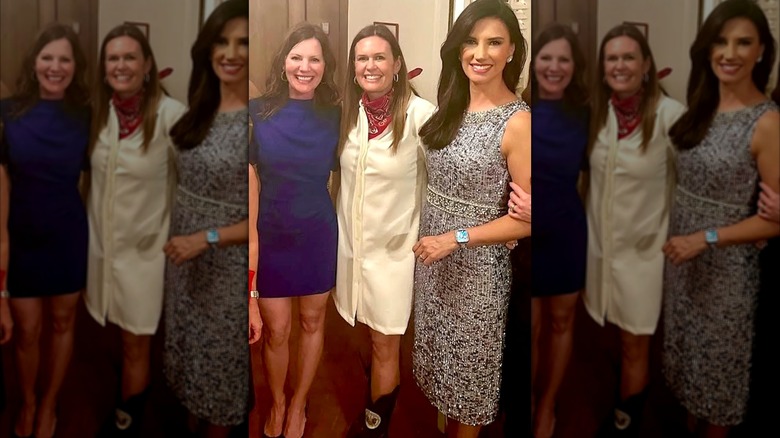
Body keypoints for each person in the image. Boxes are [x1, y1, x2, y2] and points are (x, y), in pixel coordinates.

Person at [412, 0, 531, 436]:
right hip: (432, 264)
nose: (480, 53)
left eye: (494, 42)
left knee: (469, 382)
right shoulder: (450, 103)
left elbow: (527, 220)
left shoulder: (518, 123)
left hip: (477, 273)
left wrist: (455, 238)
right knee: (438, 366)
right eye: (471, 41)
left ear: (512, 51)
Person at [662, 1, 779, 436]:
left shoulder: (767, 122)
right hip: (683, 260)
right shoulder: (701, 105)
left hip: (728, 270)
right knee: (686, 363)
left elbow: (773, 221)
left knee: (719, 378)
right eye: (721, 42)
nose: (730, 53)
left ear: (762, 51)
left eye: (743, 42)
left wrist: (705, 238)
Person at [332, 24, 436, 437]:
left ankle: (376, 423)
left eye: (379, 57)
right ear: (353, 66)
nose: (370, 65)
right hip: (352, 250)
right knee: (359, 330)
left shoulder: (421, 116)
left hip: (395, 254)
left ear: (396, 65)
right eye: (362, 58)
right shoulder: (347, 113)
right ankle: (373, 397)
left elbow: (447, 178)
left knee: (385, 342)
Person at [584, 23, 685, 437]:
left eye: (629, 57)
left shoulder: (671, 117)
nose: (620, 65)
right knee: (609, 334)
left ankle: (626, 420)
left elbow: (694, 183)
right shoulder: (597, 114)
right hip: (602, 250)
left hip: (646, 254)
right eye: (612, 58)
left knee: (635, 342)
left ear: (646, 65)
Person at [86, 23, 186, 436]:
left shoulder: (171, 117)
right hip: (102, 251)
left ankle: (128, 419)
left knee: (136, 342)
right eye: (113, 58)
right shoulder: (98, 115)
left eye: (130, 57)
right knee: (109, 332)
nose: (120, 65)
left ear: (147, 65)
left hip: (146, 255)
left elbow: (192, 187)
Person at [162, 1, 250, 436]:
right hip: (184, 260)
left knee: (221, 367)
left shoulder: (257, 121)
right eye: (221, 41)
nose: (230, 53)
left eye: (243, 43)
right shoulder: (198, 107)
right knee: (186, 354)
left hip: (227, 266)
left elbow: (263, 217)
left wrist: (207, 238)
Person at [250, 22, 340, 438]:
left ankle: (299, 403)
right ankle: (278, 402)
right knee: (277, 331)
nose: (305, 67)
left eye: (314, 59)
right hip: (271, 234)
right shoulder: (257, 113)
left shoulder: (336, 115)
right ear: (283, 62)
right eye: (297, 57)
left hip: (317, 233)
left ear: (325, 66)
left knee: (311, 323)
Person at [0, 24, 90, 438]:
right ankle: (29, 402)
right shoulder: (8, 113)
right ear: (34, 62)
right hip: (21, 238)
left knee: (62, 324)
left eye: (64, 59)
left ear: (75, 66)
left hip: (68, 236)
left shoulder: (85, 116)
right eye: (47, 57)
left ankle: (49, 403)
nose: (55, 66)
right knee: (27, 332)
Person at [526, 23, 589, 438]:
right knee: (532, 327)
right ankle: (529, 401)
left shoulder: (586, 114)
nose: (554, 66)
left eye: (563, 59)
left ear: (574, 66)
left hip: (567, 231)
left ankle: (547, 406)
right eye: (546, 57)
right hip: (528, 234)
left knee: (562, 323)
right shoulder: (521, 110)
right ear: (535, 63)